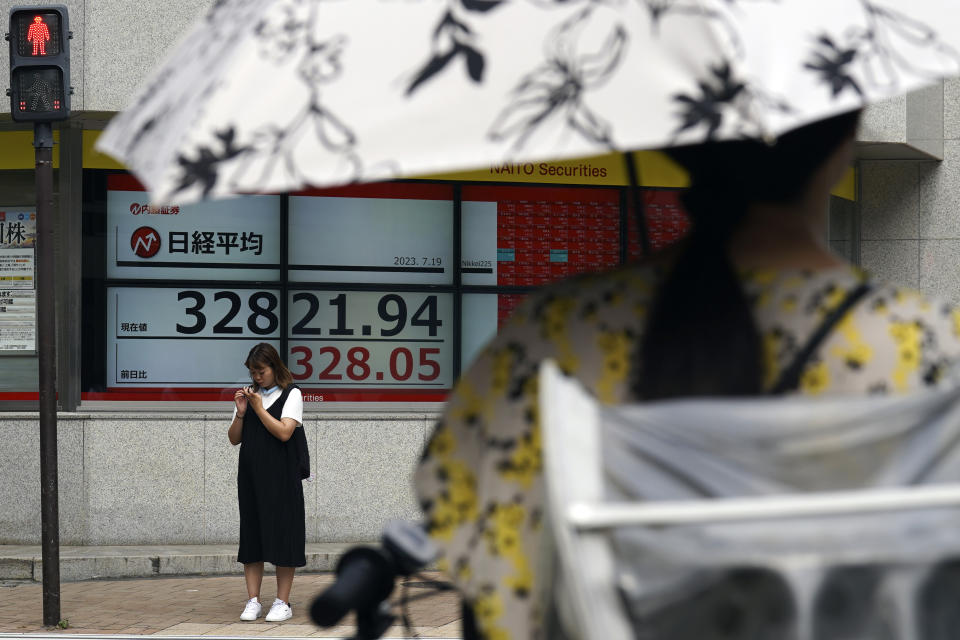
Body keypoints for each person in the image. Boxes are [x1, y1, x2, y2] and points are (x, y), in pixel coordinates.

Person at [413, 110, 960, 639]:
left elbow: (494, 577)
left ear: (682, 147)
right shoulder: (932, 347)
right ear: (845, 142)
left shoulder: (556, 337)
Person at [228, 342, 305, 623]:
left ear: (274, 367)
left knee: (284, 536)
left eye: (261, 371)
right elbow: (234, 438)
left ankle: (282, 602)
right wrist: (241, 411)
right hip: (251, 478)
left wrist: (259, 409)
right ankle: (253, 600)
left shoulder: (292, 394)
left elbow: (285, 432)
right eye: (252, 372)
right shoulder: (250, 397)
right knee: (252, 537)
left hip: (282, 479)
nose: (257, 377)